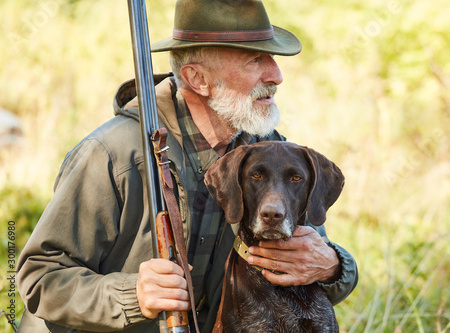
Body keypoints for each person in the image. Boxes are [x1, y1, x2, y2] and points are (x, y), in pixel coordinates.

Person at [16, 0, 358, 332]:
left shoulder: (261, 149)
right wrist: (132, 295)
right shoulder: (113, 155)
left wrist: (331, 266)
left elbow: (310, 255)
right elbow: (39, 276)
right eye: (256, 60)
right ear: (198, 79)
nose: (277, 75)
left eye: (273, 59)